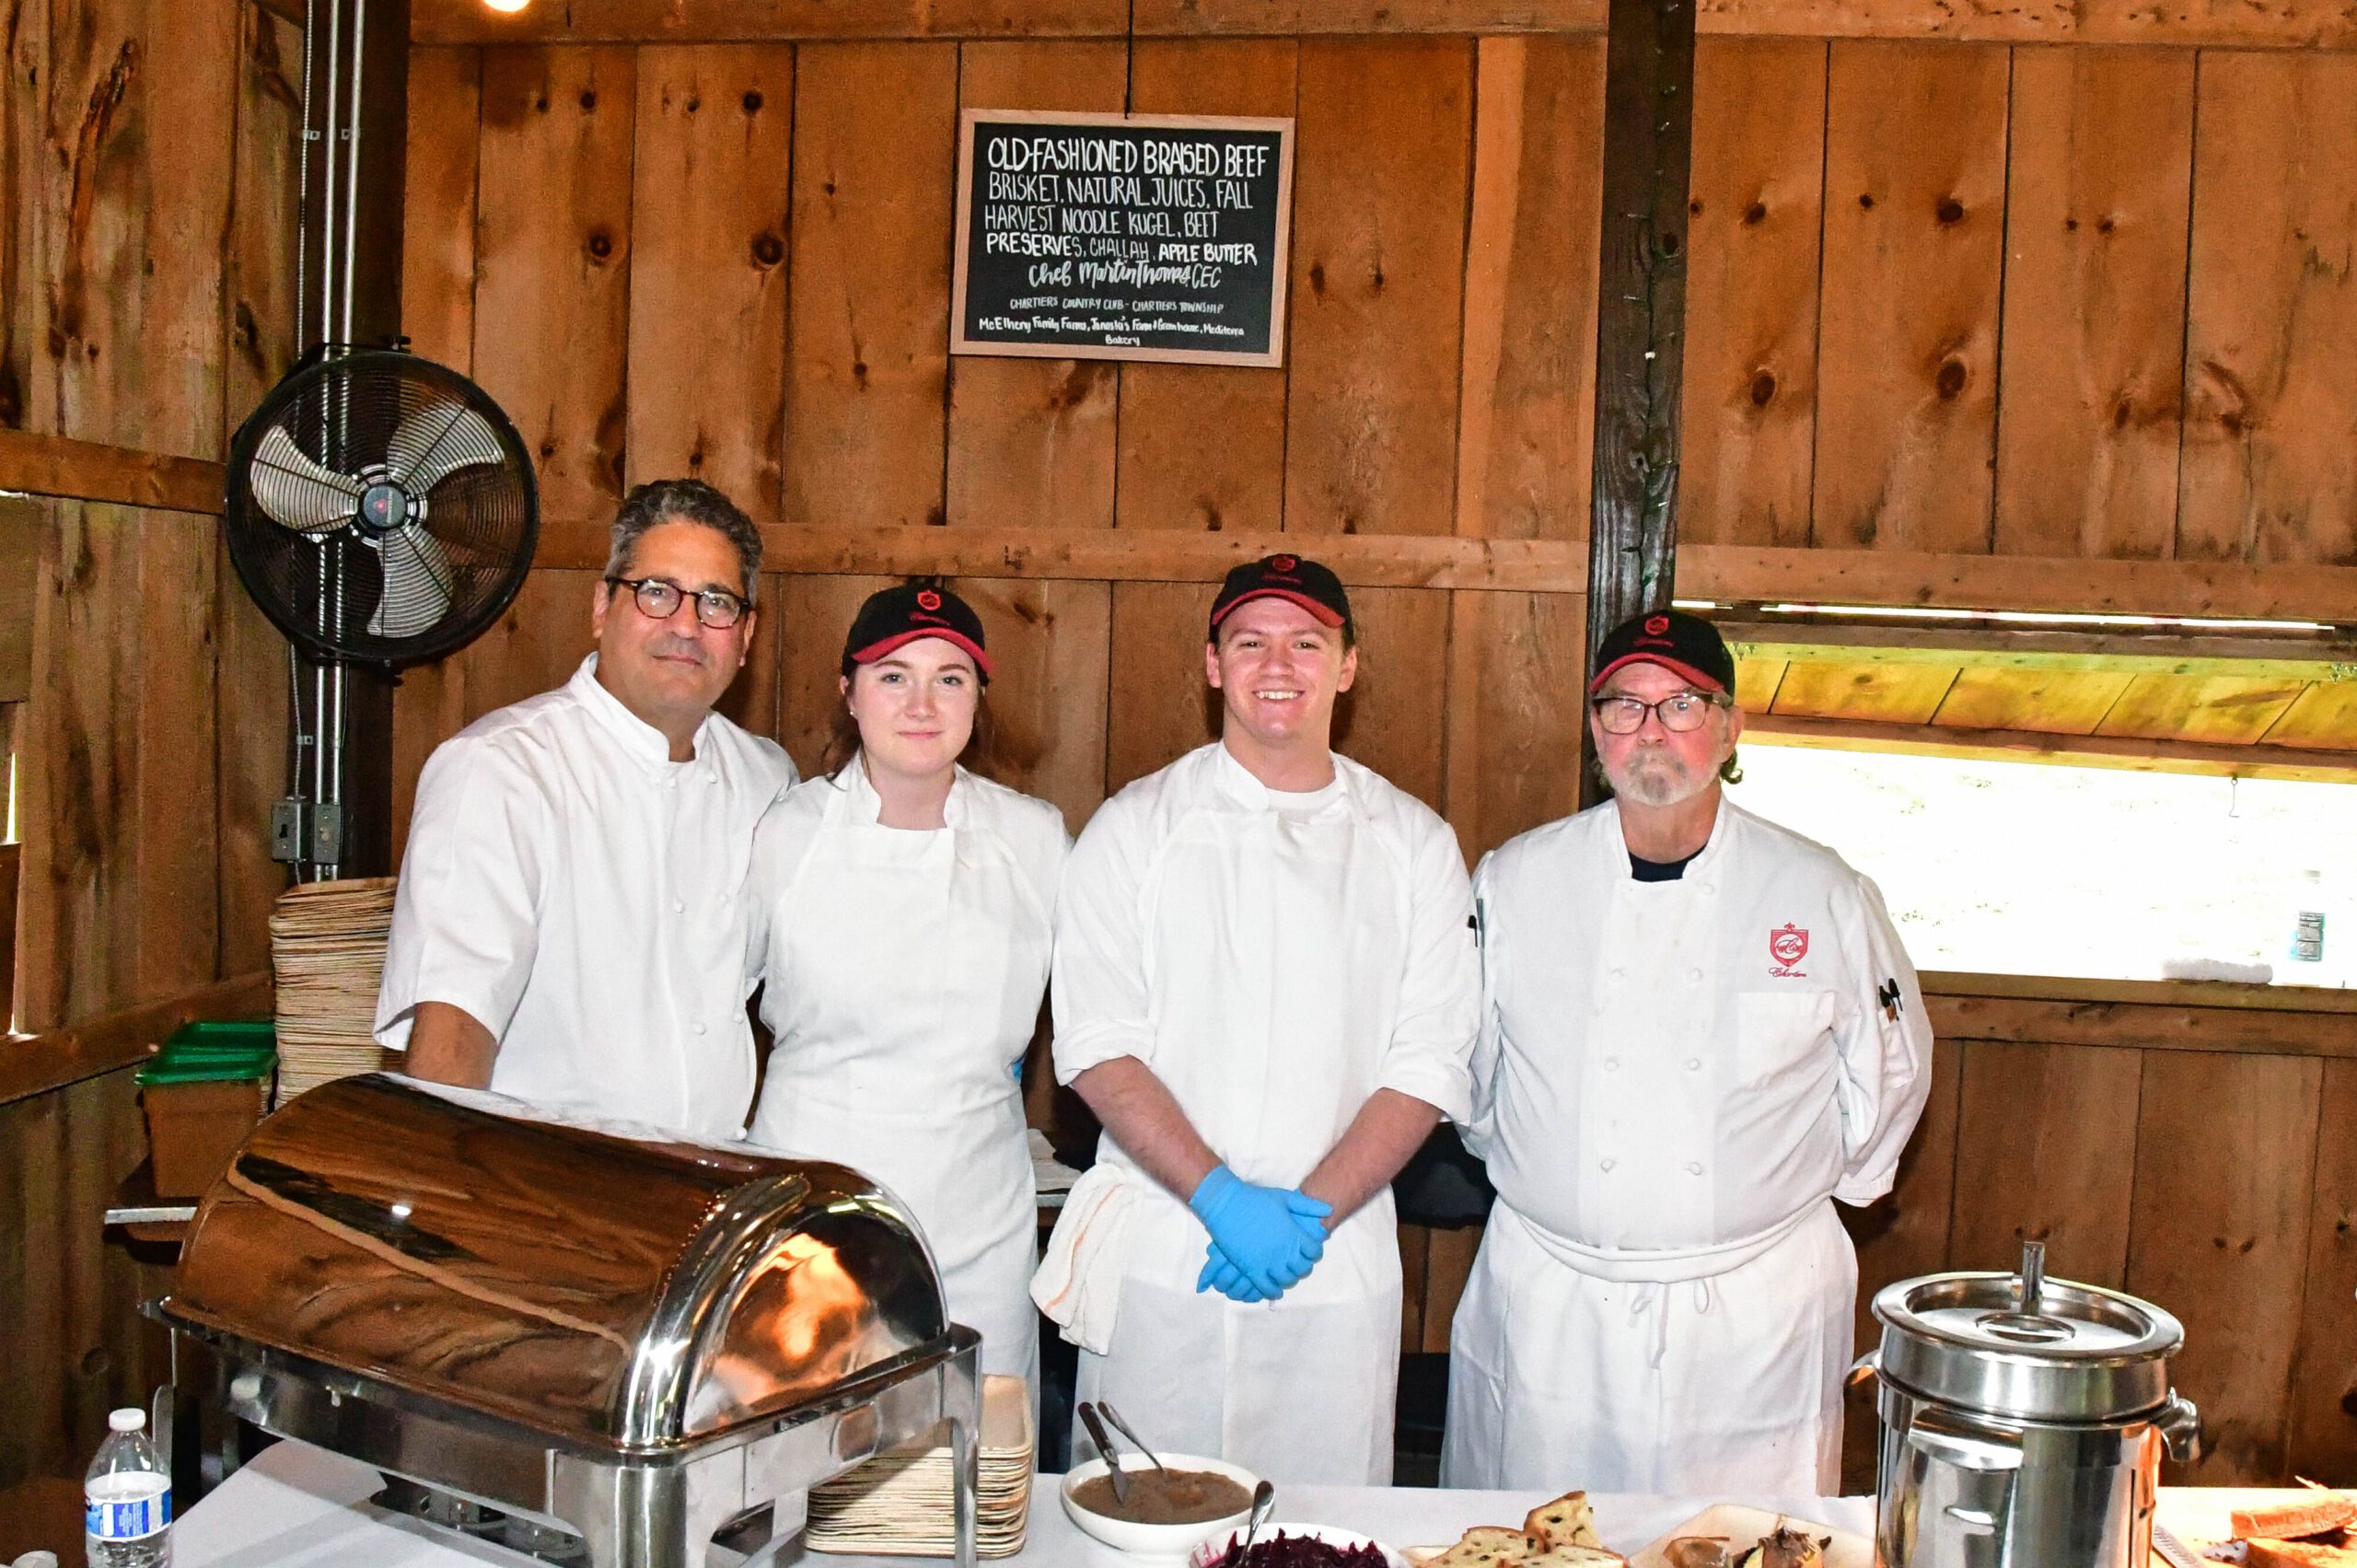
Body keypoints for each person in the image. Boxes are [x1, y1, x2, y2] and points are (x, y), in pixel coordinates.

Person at [1439, 609, 1933, 1495]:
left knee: (1745, 1541)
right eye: (1624, 705)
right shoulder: (1515, 880)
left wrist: (1836, 1180)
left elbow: (1890, 1071)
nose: (1651, 730)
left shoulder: (1818, 889)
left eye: (1682, 705)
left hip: (1753, 1316)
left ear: (1732, 725)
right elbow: (1467, 1067)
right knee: (1529, 1537)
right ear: (1596, 728)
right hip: (1554, 1301)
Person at [1036, 553, 1479, 1485]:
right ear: (1212, 664)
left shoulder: (1413, 843)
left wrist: (1306, 1215)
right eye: (1250, 641)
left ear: (1347, 664)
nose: (1278, 664)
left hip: (1335, 1255)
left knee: (1319, 1531)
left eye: (1306, 641)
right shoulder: (1135, 826)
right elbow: (1095, 1041)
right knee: (1141, 1525)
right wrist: (1219, 1198)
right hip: (1168, 1250)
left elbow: (1429, 1058)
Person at [375, 479, 796, 1140]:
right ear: (602, 606)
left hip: (711, 1197)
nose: (686, 625)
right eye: (657, 592)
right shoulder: (501, 770)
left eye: (716, 602)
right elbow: (454, 1028)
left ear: (745, 636)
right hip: (546, 1198)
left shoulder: (767, 780)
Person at [743, 582, 1067, 1384]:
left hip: (979, 1222)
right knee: (813, 1470)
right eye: (894, 676)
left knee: (975, 1468)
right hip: (813, 1220)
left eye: (949, 678)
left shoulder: (1033, 838)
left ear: (977, 700)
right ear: (850, 693)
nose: (922, 702)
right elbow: (707, 1013)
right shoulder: (785, 833)